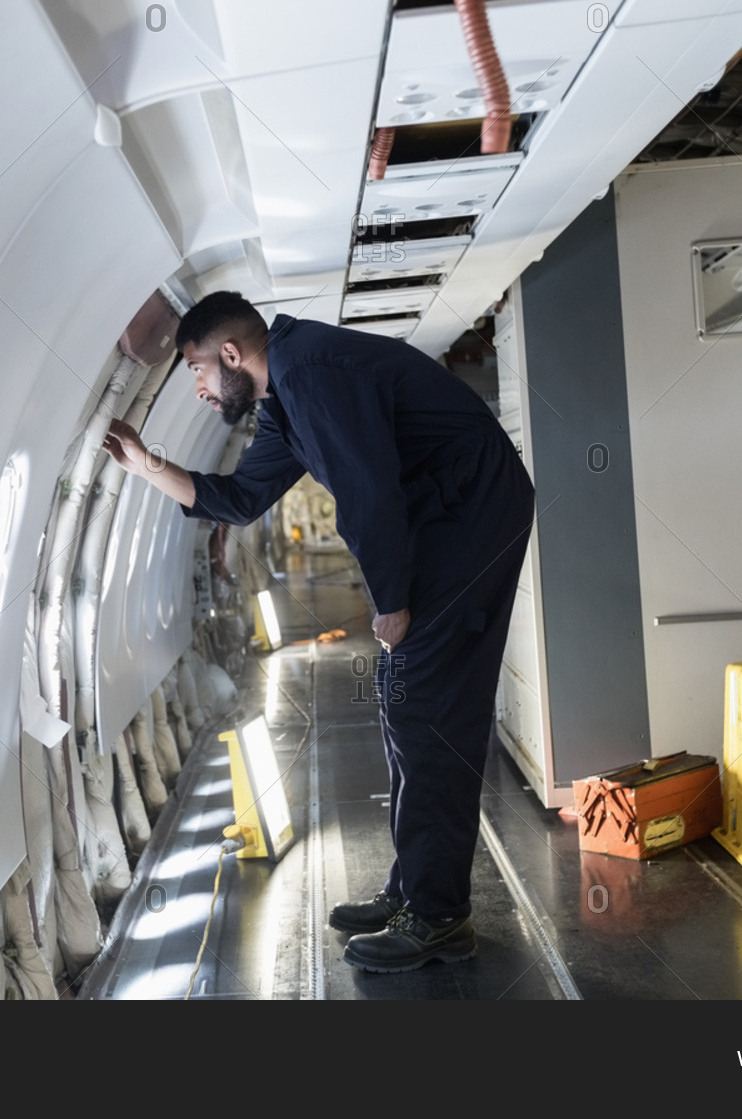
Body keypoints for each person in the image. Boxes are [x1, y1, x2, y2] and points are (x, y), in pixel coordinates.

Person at [102, 291, 534, 972]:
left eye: (198, 372)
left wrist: (390, 602)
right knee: (404, 709)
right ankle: (414, 892)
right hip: (445, 524)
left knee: (429, 713)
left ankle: (439, 917)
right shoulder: (285, 402)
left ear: (232, 355)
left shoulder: (313, 372)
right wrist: (147, 465)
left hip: (470, 518)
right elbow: (241, 501)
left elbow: (369, 492)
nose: (201, 393)